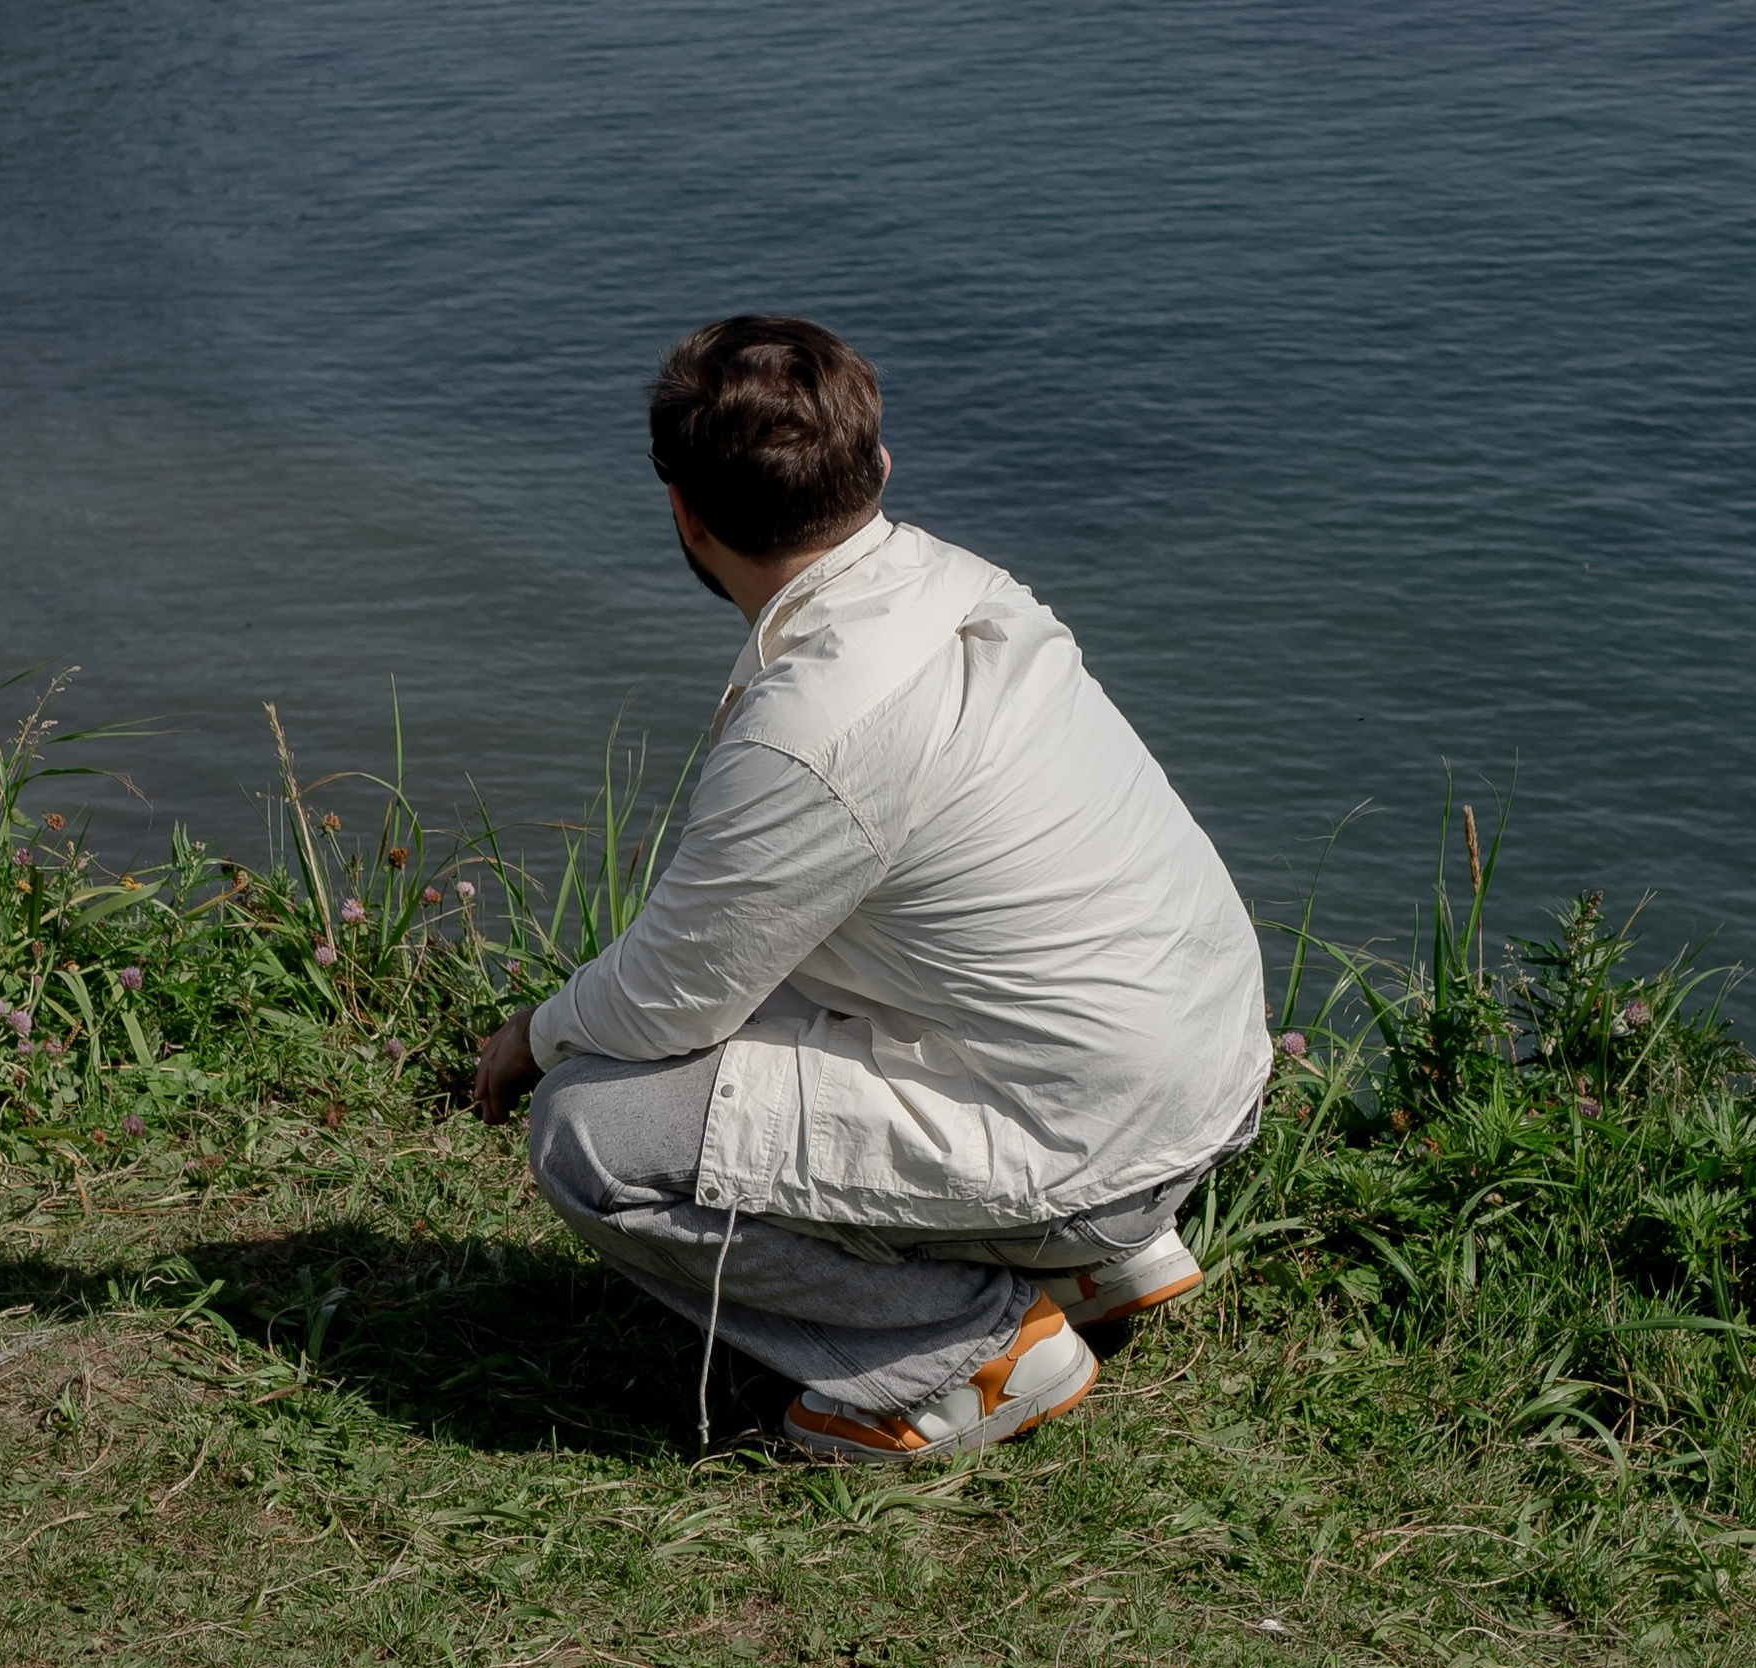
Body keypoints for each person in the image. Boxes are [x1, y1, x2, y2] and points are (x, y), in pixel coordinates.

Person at [469, 314, 1269, 1465]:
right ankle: (1092, 1260)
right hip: (1198, 1078)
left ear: (684, 514)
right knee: (754, 1012)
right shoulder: (964, 588)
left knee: (590, 1128)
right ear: (878, 468)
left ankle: (963, 1354)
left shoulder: (813, 728)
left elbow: (668, 1002)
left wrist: (532, 1036)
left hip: (1095, 1145)